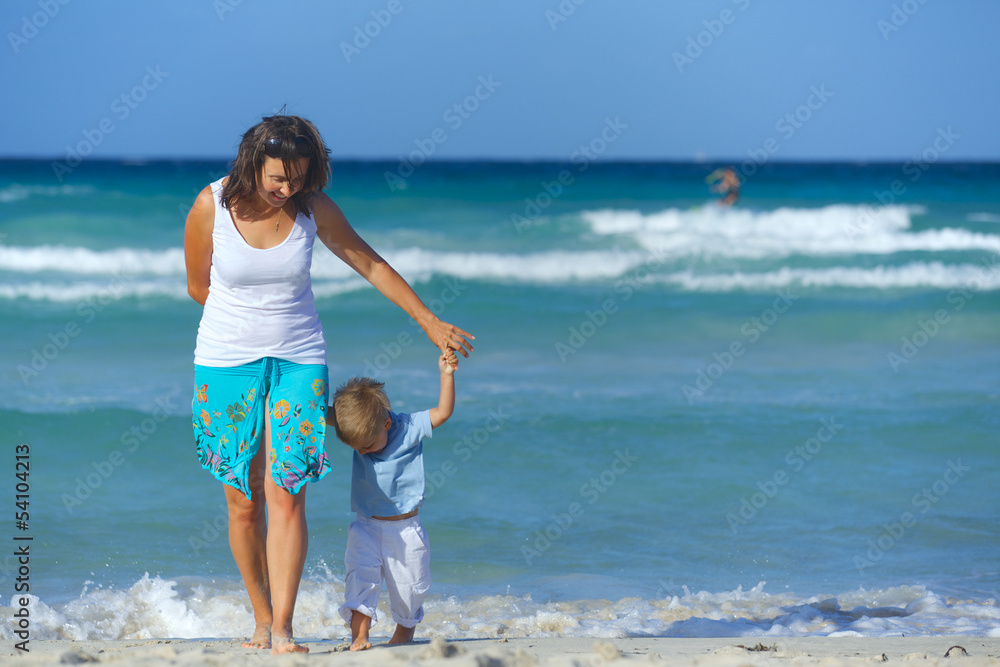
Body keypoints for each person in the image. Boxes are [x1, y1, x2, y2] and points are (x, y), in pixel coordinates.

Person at [183, 114, 473, 655]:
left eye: (297, 178)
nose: (286, 189)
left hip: (299, 359)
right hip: (225, 361)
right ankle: (262, 617)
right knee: (243, 500)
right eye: (277, 178)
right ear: (253, 163)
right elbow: (200, 285)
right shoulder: (211, 206)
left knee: (287, 491)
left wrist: (429, 320)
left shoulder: (313, 210)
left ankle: (285, 629)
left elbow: (370, 262)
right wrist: (248, 324)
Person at [331, 349, 457, 651]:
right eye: (356, 448)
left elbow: (443, 412)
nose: (361, 453)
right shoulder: (360, 429)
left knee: (410, 587)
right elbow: (317, 412)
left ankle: (404, 631)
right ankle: (359, 636)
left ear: (386, 424)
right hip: (366, 526)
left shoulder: (410, 428)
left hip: (405, 528)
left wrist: (446, 374)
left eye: (368, 446)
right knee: (360, 579)